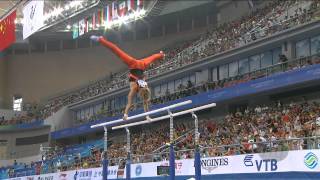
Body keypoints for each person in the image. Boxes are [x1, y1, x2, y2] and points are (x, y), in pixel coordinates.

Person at [90, 35, 165, 120]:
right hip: (134, 65)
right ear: (140, 93)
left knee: (153, 57)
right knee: (117, 51)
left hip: (142, 65)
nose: (142, 98)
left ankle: (161, 55)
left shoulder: (145, 87)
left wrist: (147, 116)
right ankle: (101, 39)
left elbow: (143, 101)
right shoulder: (135, 89)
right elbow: (130, 103)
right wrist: (125, 114)